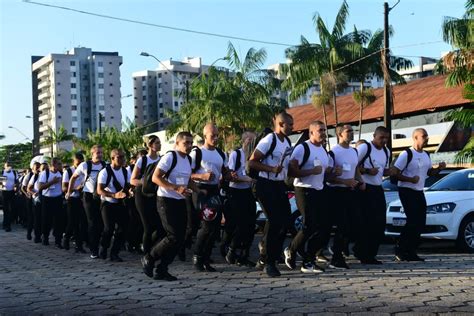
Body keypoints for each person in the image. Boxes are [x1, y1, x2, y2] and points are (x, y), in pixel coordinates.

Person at [142, 131, 203, 281]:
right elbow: (156, 178)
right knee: (173, 235)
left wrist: (199, 190)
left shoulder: (188, 159)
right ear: (177, 143)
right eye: (185, 143)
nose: (189, 146)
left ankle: (162, 269)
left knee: (180, 238)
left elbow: (187, 179)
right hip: (166, 200)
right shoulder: (171, 157)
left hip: (180, 200)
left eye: (191, 143)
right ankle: (149, 257)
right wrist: (176, 188)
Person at [248, 112, 294, 277]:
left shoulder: (287, 141)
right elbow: (252, 161)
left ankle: (266, 252)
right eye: (290, 125)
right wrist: (271, 169)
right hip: (265, 185)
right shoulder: (269, 140)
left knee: (285, 221)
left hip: (279, 185)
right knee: (275, 222)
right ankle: (269, 262)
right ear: (281, 124)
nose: (292, 127)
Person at [284, 121, 333, 274]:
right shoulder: (302, 148)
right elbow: (292, 172)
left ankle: (302, 255)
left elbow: (324, 172)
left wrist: (333, 172)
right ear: (311, 133)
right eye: (320, 130)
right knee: (309, 225)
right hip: (303, 190)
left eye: (325, 130)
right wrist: (311, 171)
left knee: (324, 226)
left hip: (319, 190)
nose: (323, 133)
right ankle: (304, 259)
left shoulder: (323, 150)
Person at [393, 128, 446, 261]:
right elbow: (394, 174)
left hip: (419, 191)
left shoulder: (426, 154)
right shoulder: (407, 154)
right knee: (412, 220)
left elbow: (429, 173)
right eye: (424, 136)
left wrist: (439, 169)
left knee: (420, 222)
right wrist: (410, 179)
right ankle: (400, 249)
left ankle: (411, 251)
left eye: (427, 136)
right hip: (406, 190)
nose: (427, 138)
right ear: (415, 138)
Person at [190, 124, 231, 272]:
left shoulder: (221, 153)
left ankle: (206, 258)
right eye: (212, 135)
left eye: (217, 135)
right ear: (205, 136)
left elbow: (225, 172)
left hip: (214, 190)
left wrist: (229, 175)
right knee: (206, 225)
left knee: (215, 227)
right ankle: (197, 256)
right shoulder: (197, 153)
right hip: (200, 190)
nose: (215, 138)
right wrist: (201, 176)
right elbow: (186, 174)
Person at [326, 124, 364, 269]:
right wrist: (344, 181)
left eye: (352, 131)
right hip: (337, 191)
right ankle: (336, 257)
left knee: (355, 224)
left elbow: (355, 169)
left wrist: (361, 181)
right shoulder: (333, 153)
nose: (351, 133)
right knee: (342, 225)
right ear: (340, 134)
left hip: (351, 191)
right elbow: (328, 177)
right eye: (348, 131)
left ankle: (341, 249)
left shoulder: (354, 151)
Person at [355, 126, 395, 264]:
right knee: (366, 223)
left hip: (378, 187)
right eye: (381, 138)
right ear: (374, 136)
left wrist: (389, 172)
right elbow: (353, 166)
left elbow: (383, 171)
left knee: (379, 223)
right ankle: (363, 253)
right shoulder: (365, 148)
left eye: (386, 138)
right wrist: (366, 171)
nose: (384, 141)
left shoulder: (386, 151)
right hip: (364, 188)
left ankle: (370, 253)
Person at [67, 145, 106, 259]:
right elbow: (73, 177)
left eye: (101, 153)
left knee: (101, 224)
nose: (100, 155)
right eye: (97, 153)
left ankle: (99, 245)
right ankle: (94, 250)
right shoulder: (85, 165)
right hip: (88, 196)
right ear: (92, 154)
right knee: (92, 222)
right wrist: (69, 192)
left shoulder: (105, 165)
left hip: (100, 196)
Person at [224, 131, 257, 267]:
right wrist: (246, 179)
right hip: (236, 192)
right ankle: (231, 250)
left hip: (248, 192)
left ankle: (244, 254)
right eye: (252, 140)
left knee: (251, 225)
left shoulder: (252, 156)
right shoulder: (236, 154)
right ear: (246, 140)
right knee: (241, 224)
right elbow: (230, 176)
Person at [96, 149, 130, 262]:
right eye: (119, 157)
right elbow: (99, 190)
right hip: (108, 203)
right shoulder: (105, 172)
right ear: (112, 158)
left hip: (120, 204)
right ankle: (103, 248)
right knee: (108, 228)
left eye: (123, 157)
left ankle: (114, 252)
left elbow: (128, 186)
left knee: (123, 228)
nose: (122, 159)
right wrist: (114, 195)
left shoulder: (125, 171)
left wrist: (130, 192)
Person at [131, 135, 162, 255]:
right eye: (157, 143)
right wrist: (145, 183)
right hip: (142, 195)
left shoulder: (162, 159)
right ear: (150, 145)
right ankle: (147, 255)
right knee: (148, 227)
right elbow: (132, 180)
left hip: (157, 194)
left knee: (160, 226)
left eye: (160, 142)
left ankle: (149, 246)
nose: (159, 145)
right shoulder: (143, 160)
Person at [62, 152, 87, 252]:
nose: (80, 165)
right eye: (78, 162)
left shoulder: (85, 170)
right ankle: (68, 239)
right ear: (74, 161)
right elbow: (64, 188)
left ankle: (79, 243)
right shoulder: (68, 172)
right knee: (73, 222)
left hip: (83, 198)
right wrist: (76, 188)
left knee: (82, 222)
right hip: (72, 199)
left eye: (82, 162)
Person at [38, 157, 64, 247]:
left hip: (58, 199)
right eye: (59, 164)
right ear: (53, 165)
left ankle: (58, 240)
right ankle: (45, 237)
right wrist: (52, 182)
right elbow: (40, 187)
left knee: (59, 220)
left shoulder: (61, 173)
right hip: (47, 199)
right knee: (46, 219)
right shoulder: (45, 173)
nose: (61, 165)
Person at [28, 162, 48, 243]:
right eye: (43, 169)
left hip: (47, 199)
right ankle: (37, 236)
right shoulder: (35, 176)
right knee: (37, 219)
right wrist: (34, 193)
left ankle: (45, 236)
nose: (44, 171)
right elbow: (28, 188)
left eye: (46, 169)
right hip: (37, 200)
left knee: (45, 219)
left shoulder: (49, 176)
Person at [22, 164, 39, 240]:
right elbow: (23, 187)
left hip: (37, 198)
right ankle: (29, 233)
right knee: (31, 217)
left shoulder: (41, 175)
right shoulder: (29, 175)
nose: (38, 169)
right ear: (32, 169)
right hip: (29, 198)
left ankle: (37, 235)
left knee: (37, 217)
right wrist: (27, 194)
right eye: (36, 168)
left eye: (39, 168)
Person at [1, 162, 18, 232]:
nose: (8, 167)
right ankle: (6, 225)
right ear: (4, 166)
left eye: (9, 165)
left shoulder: (14, 172)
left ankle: (8, 222)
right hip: (4, 192)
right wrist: (1, 186)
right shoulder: (2, 172)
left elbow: (17, 181)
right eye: (7, 165)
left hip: (12, 192)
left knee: (11, 208)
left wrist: (16, 186)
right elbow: (1, 183)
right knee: (6, 209)